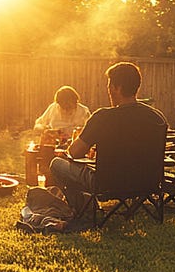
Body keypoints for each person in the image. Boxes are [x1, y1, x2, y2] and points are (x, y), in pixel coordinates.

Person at [48, 62, 168, 211]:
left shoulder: (103, 117)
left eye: (110, 86)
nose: (109, 90)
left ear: (117, 88)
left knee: (56, 164)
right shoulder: (157, 117)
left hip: (108, 184)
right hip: (148, 182)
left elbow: (75, 152)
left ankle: (85, 208)